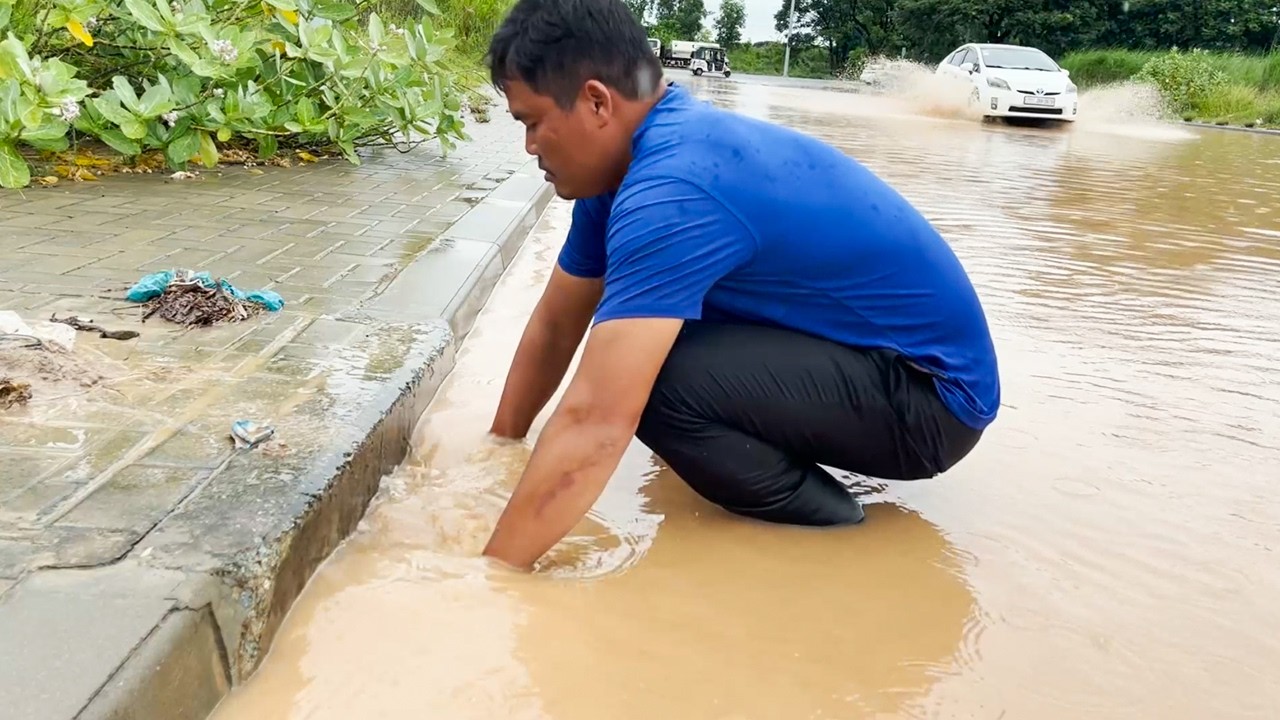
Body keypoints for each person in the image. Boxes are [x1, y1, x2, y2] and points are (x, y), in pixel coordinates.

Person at [479, 0, 1001, 571]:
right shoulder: (628, 167)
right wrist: (498, 448)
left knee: (649, 378)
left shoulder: (674, 186)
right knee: (640, 341)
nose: (529, 147)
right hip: (869, 363)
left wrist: (490, 575)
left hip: (932, 402)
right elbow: (557, 324)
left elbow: (597, 419)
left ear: (597, 101)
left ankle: (833, 525)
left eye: (531, 123)